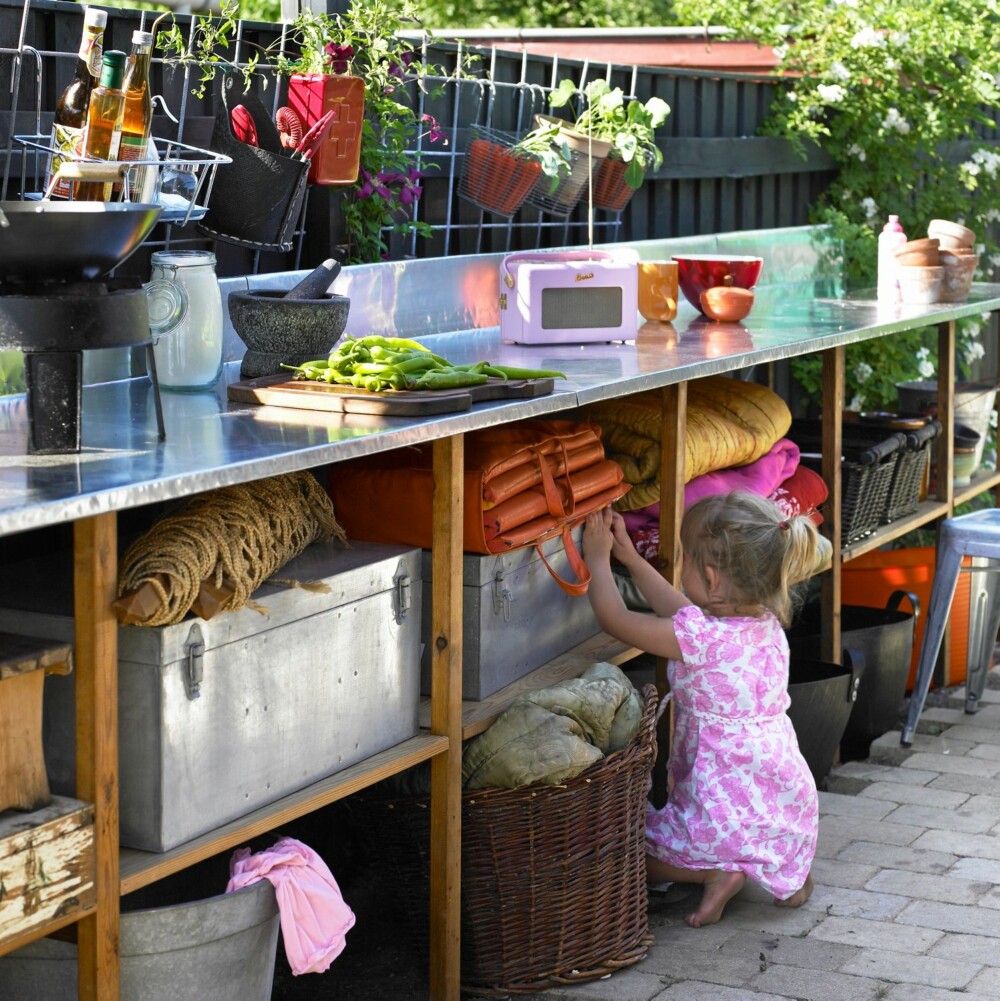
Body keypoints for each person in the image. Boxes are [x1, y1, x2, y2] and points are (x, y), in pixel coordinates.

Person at [581, 491, 821, 928]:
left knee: (633, 852)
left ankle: (714, 871)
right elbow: (682, 611)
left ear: (710, 579)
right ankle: (784, 871)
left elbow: (615, 619)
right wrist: (631, 560)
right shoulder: (764, 626)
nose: (682, 566)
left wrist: (597, 561)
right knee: (756, 834)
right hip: (775, 786)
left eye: (686, 559)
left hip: (720, 790)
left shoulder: (700, 640)